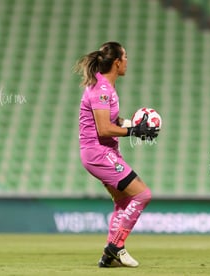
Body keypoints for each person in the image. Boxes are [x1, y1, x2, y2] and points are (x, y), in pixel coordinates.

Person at [74, 41, 159, 268]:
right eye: (126, 57)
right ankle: (116, 246)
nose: (127, 61)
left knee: (123, 202)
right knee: (143, 195)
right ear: (117, 62)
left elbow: (114, 121)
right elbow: (104, 129)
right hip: (98, 153)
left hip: (103, 152)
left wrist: (137, 126)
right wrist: (134, 131)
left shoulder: (105, 87)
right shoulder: (101, 90)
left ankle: (108, 256)